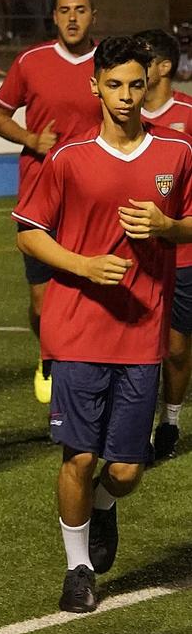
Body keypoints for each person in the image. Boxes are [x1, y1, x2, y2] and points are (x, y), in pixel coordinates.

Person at [14, 35, 191, 611]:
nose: (124, 95)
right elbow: (29, 232)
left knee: (125, 471)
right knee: (80, 457)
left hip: (141, 333)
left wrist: (169, 228)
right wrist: (84, 266)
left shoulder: (175, 154)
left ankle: (106, 508)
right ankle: (78, 568)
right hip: (77, 329)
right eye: (113, 84)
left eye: (135, 84)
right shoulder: (68, 157)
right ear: (95, 86)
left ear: (150, 86)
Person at [0, 0, 99, 404]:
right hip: (41, 194)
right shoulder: (30, 61)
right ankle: (48, 355)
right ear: (54, 17)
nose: (73, 18)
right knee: (41, 301)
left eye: (81, 10)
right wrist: (31, 138)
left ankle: (90, 365)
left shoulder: (108, 62)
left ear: (93, 15)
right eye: (65, 11)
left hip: (93, 195)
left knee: (92, 288)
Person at [138, 28, 192, 460]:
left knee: (175, 348)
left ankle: (170, 420)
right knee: (135, 345)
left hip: (184, 254)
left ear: (164, 67)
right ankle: (132, 426)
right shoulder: (122, 114)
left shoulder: (189, 114)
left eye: (145, 57)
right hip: (133, 255)